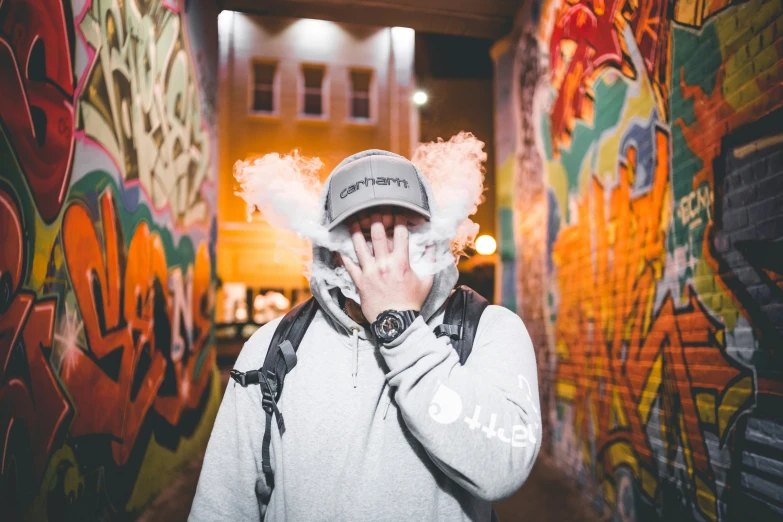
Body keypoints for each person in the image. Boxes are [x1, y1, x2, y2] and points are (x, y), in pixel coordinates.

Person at [189, 150, 541, 521]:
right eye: (359, 234)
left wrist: (400, 326)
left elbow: (504, 467)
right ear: (330, 253)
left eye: (401, 231)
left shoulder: (490, 329)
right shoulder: (271, 349)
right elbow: (221, 508)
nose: (384, 253)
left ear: (433, 242)